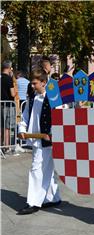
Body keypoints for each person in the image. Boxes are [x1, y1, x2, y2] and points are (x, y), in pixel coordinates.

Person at [17, 69, 61, 215]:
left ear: (43, 82)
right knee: (46, 169)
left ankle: (33, 202)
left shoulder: (53, 97)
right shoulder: (32, 97)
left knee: (37, 169)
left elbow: (59, 116)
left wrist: (52, 133)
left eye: (35, 83)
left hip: (47, 140)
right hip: (36, 139)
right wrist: (22, 129)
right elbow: (26, 116)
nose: (32, 86)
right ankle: (52, 198)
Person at [1, 60, 16, 153]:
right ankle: (6, 146)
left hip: (0, 104)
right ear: (9, 68)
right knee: (7, 127)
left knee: (0, 126)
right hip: (8, 105)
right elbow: (12, 93)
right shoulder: (8, 78)